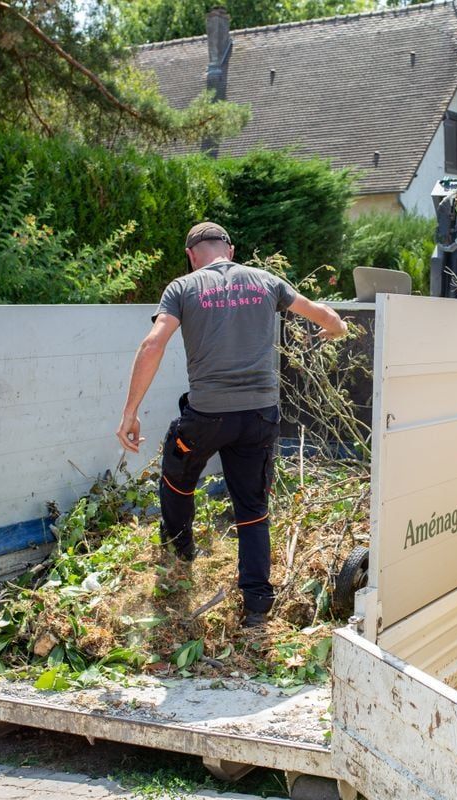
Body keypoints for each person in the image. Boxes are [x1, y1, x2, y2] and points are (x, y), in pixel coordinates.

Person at [116, 222, 348, 627]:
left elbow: (153, 343)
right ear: (231, 250)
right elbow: (326, 317)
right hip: (259, 417)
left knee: (177, 474)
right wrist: (336, 330)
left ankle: (179, 554)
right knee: (253, 506)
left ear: (191, 255)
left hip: (207, 417)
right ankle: (257, 606)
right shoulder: (266, 281)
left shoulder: (182, 288)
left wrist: (130, 412)